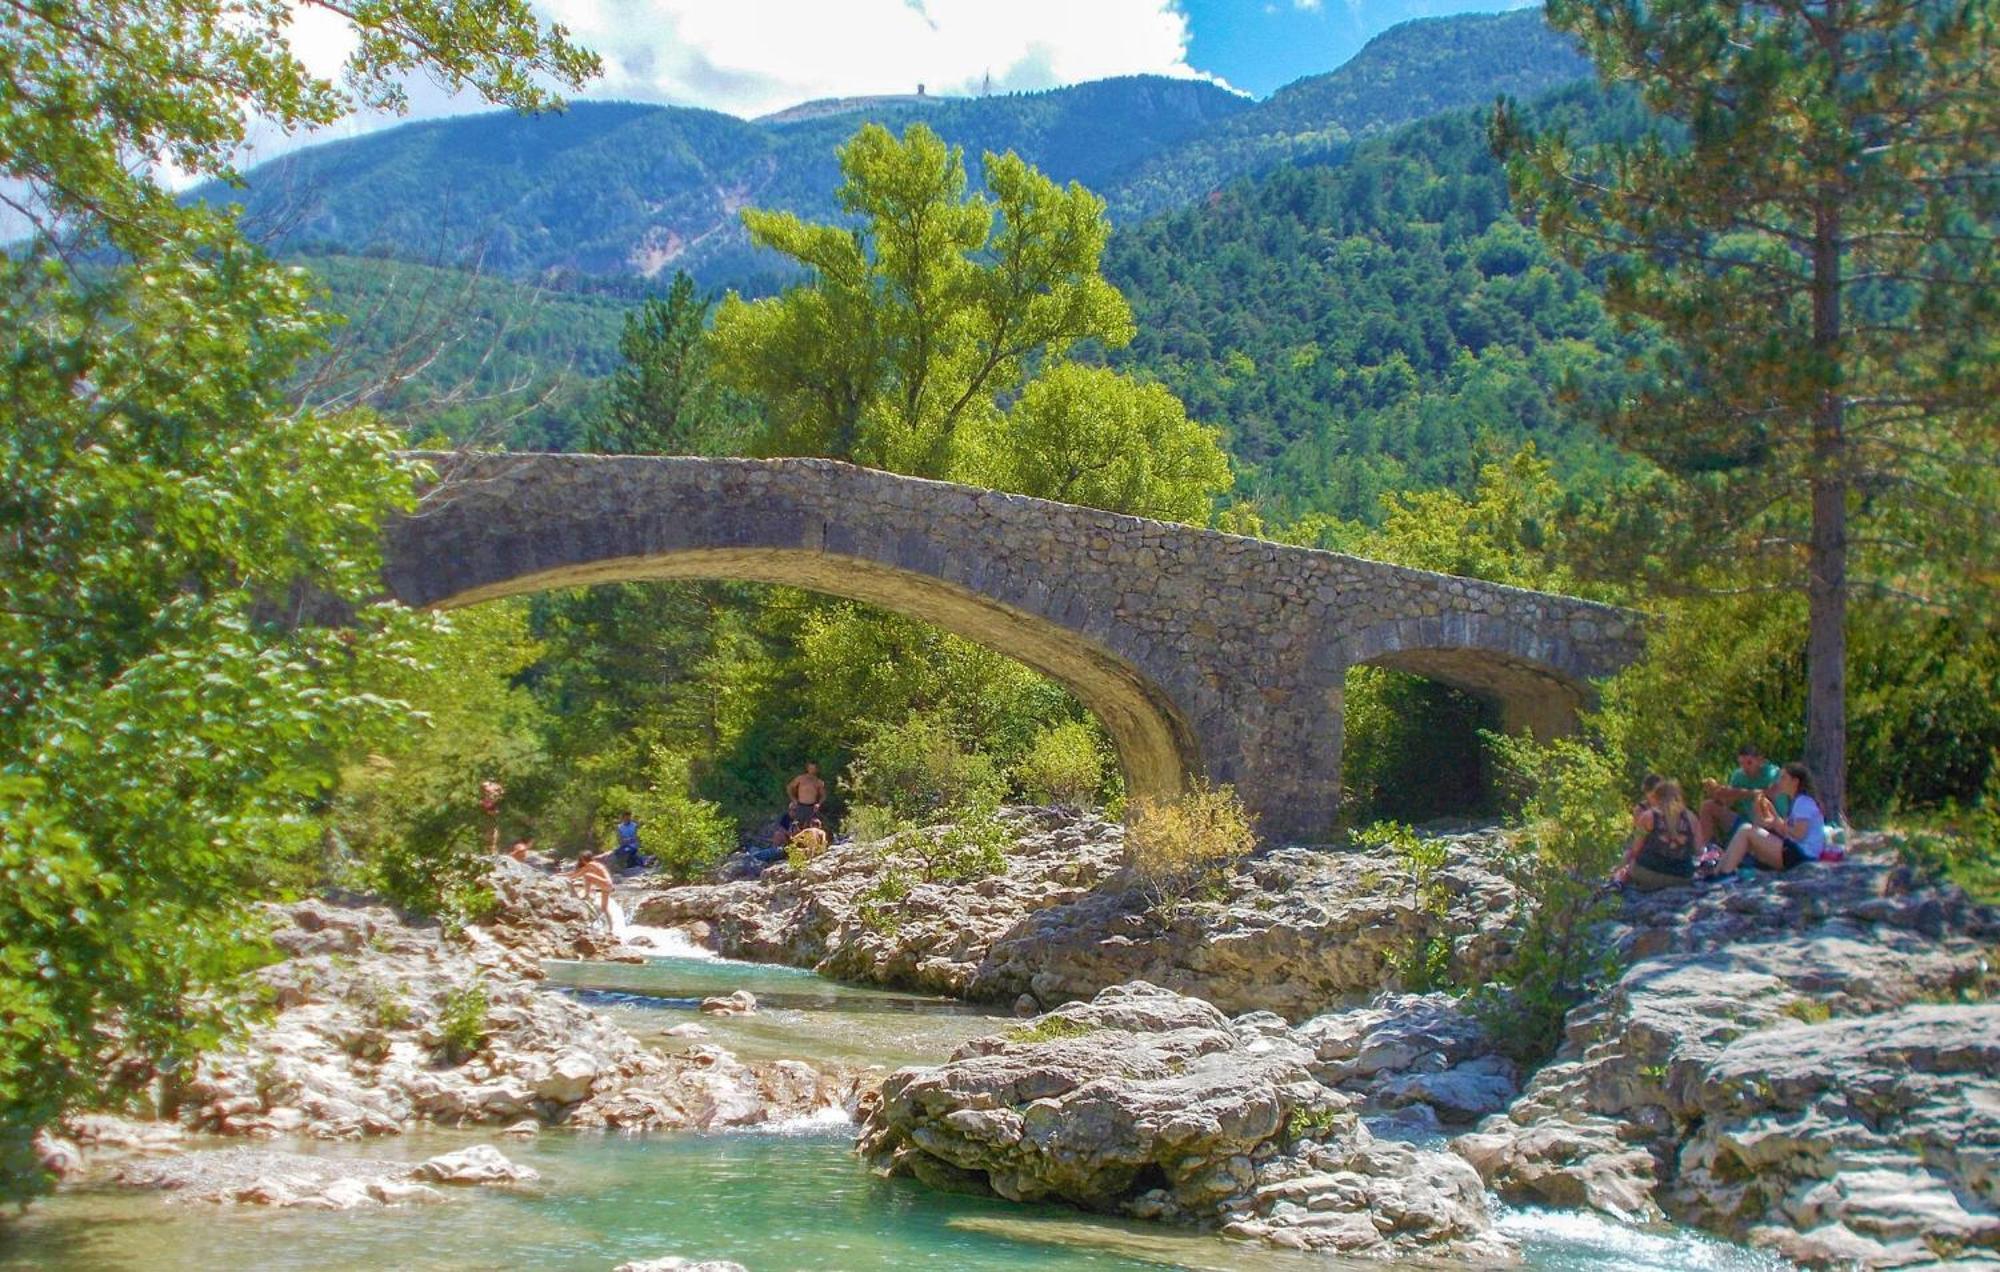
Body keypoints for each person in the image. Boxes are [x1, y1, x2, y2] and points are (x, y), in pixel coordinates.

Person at [1706, 762, 1826, 877]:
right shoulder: (1796, 802)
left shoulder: (1803, 802)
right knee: (1747, 831)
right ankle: (1718, 872)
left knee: (1745, 830)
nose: (1779, 781)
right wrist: (1768, 818)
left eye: (1783, 778)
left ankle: (1726, 873)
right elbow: (1783, 829)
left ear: (1795, 782)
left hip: (1801, 855)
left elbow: (1799, 834)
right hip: (1796, 851)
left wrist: (1776, 822)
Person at [1696, 744, 1787, 851]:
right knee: (1708, 806)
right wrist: (1718, 792)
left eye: (1749, 763)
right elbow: (1727, 803)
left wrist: (1744, 793)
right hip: (1747, 821)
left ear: (1760, 760)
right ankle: (1707, 850)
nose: (1745, 768)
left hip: (1772, 826)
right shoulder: (1738, 776)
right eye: (1741, 764)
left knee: (1760, 805)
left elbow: (1770, 794)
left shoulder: (1773, 773)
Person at [1613, 780, 1700, 890]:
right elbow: (1698, 849)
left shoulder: (1648, 816)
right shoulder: (1691, 818)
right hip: (1682, 876)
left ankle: (1616, 883)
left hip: (1648, 873)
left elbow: (1635, 849)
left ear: (1656, 797)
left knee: (1626, 862)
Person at [565, 851, 615, 920]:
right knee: (604, 908)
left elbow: (577, 874)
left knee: (587, 876)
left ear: (583, 859)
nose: (581, 861)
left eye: (581, 859)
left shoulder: (591, 864)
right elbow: (577, 873)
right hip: (609, 885)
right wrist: (561, 875)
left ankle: (587, 896)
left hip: (605, 883)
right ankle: (611, 929)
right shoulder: (595, 864)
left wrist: (568, 878)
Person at [784, 761, 827, 831]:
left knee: (811, 828)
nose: (812, 770)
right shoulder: (801, 778)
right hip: (800, 806)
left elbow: (823, 795)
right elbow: (789, 787)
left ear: (817, 769)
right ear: (807, 768)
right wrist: (793, 800)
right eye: (810, 768)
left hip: (812, 808)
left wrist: (818, 804)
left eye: (814, 768)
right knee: (797, 827)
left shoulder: (818, 782)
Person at [479, 778, 505, 854]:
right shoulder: (485, 798)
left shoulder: (495, 792)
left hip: (492, 815)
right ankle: (490, 850)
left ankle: (493, 850)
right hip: (487, 816)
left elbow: (500, 794)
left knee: (493, 834)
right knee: (489, 834)